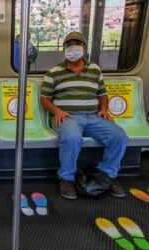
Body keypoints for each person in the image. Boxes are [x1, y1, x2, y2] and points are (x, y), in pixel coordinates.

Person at [40, 31, 128, 200]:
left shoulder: (94, 70)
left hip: (94, 116)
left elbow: (102, 95)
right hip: (67, 116)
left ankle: (108, 174)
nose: (73, 48)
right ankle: (66, 178)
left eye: (77, 44)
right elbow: (45, 99)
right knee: (72, 137)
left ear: (85, 48)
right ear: (64, 48)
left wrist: (104, 109)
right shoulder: (54, 72)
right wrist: (57, 111)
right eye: (69, 44)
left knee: (119, 136)